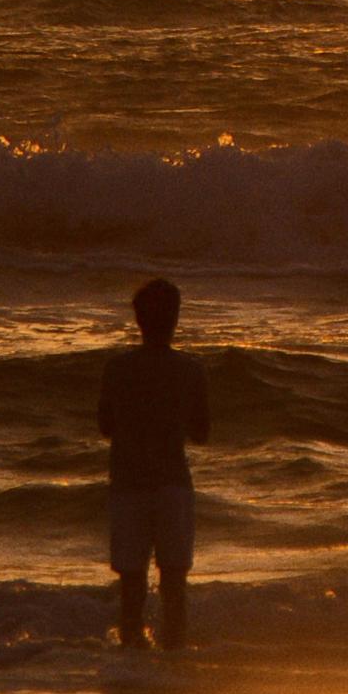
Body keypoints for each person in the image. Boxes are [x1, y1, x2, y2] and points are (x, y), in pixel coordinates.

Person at [98, 276, 211, 652]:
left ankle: (132, 659)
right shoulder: (191, 370)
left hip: (128, 483)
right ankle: (173, 659)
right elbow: (201, 432)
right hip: (172, 484)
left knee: (131, 583)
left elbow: (105, 426)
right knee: (174, 583)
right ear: (175, 319)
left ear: (138, 320)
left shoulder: (117, 369)